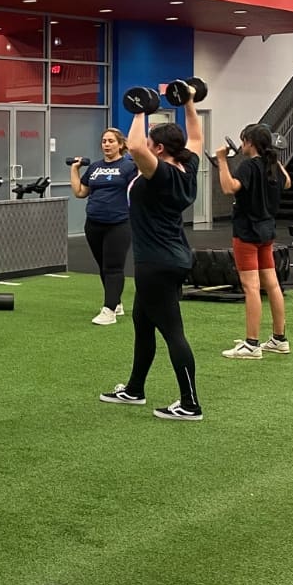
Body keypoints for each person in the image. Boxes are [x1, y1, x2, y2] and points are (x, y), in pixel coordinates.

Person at [100, 85, 204, 421]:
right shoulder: (187, 168)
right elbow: (197, 137)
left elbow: (134, 145)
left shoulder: (159, 173)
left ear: (158, 148)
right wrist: (188, 102)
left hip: (155, 263)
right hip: (172, 257)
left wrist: (140, 110)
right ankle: (134, 389)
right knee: (142, 323)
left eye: (151, 143)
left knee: (173, 331)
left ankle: (190, 404)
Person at [214, 124, 292, 359]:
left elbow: (229, 188)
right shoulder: (273, 165)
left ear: (249, 142)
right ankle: (279, 339)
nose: (241, 146)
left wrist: (221, 160)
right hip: (266, 231)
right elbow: (287, 182)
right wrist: (274, 159)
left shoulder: (248, 166)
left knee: (251, 287)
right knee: (272, 285)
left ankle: (251, 344)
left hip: (247, 233)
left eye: (243, 141)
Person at [70, 128, 137, 325]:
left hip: (119, 223)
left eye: (111, 141)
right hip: (93, 223)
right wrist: (74, 170)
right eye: (104, 141)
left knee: (113, 267)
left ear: (121, 145)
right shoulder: (95, 168)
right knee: (102, 266)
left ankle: (109, 311)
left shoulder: (129, 166)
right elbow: (80, 192)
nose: (106, 144)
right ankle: (115, 302)